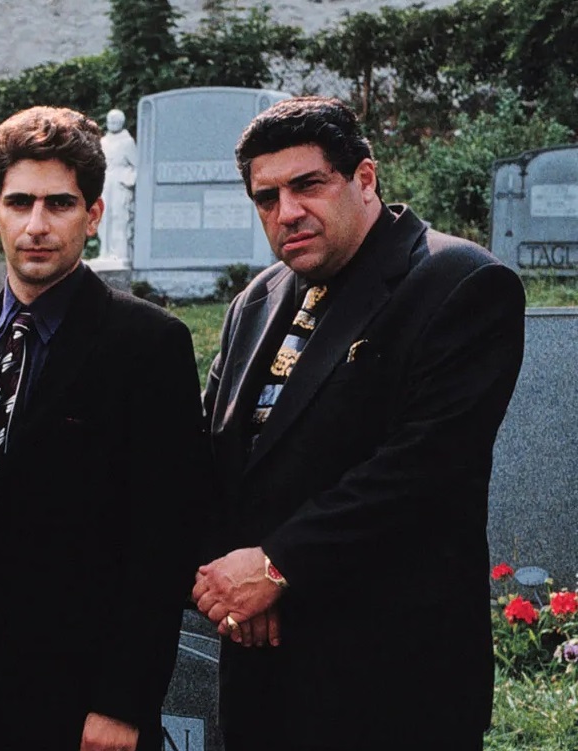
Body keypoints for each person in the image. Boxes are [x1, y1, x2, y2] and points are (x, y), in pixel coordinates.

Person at [193, 96, 526, 750]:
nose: (287, 211)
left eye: (307, 185)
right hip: (261, 668)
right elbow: (215, 455)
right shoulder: (255, 300)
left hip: (390, 678)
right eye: (266, 198)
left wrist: (276, 565)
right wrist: (231, 581)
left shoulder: (458, 282)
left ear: (364, 178)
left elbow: (422, 467)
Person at [0, 106, 207, 751]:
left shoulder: (147, 345)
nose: (37, 225)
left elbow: (163, 538)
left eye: (60, 204)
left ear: (94, 214)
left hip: (82, 705)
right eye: (19, 203)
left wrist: (122, 703)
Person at [98, 108, 137, 261]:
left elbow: (137, 165)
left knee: (119, 217)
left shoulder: (127, 142)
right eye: (110, 121)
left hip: (120, 183)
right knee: (104, 216)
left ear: (121, 122)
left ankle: (121, 253)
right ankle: (105, 252)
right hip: (106, 181)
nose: (112, 123)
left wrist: (128, 179)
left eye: (115, 121)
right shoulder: (103, 141)